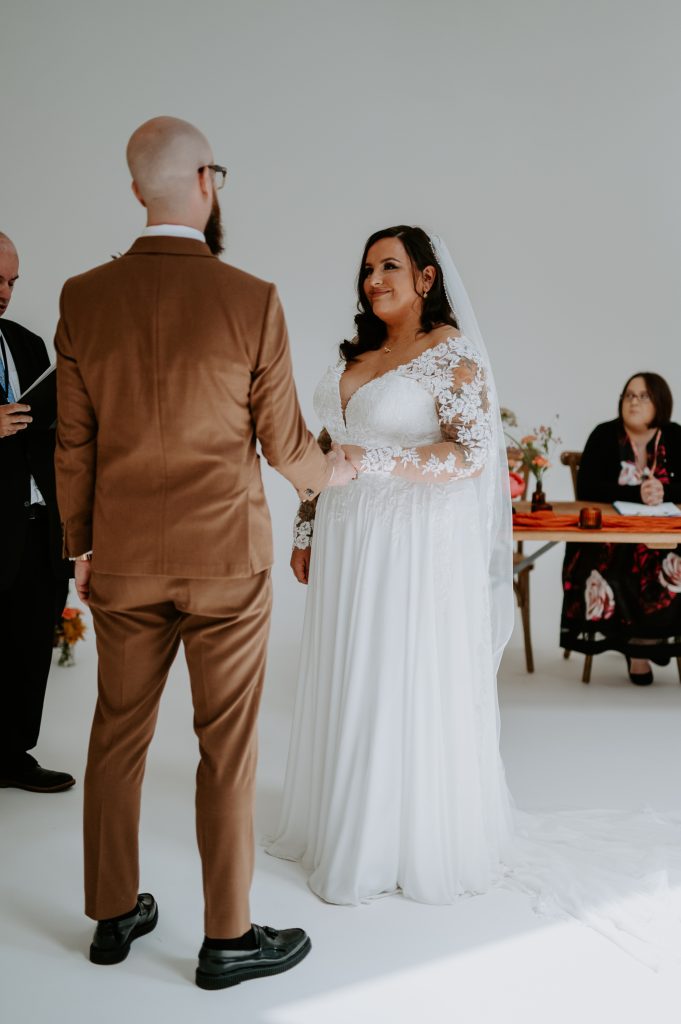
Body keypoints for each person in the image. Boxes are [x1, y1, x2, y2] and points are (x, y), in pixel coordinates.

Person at [54, 116, 354, 989]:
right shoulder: (251, 297)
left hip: (123, 560)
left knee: (115, 737)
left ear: (137, 190)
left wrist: (80, 545)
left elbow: (72, 445)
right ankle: (228, 939)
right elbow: (285, 443)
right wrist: (330, 475)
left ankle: (112, 916)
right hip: (226, 560)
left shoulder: (81, 296)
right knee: (227, 748)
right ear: (206, 182)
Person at [267, 225, 515, 904]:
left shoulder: (453, 357)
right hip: (347, 537)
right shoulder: (360, 353)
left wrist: (375, 463)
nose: (374, 279)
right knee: (350, 664)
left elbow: (470, 454)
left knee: (395, 668)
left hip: (409, 543)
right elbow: (327, 442)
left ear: (426, 279)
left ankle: (396, 838)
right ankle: (340, 816)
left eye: (390, 267)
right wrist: (306, 525)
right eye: (368, 268)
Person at [0, 232, 74, 794]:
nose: (5, 292)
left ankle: (11, 755)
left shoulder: (28, 343)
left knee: (27, 647)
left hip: (34, 524)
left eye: (12, 281)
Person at [560, 373, 681, 684]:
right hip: (611, 535)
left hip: (665, 534)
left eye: (643, 396)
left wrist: (664, 493)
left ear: (660, 402)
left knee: (669, 558)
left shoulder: (675, 436)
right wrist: (634, 493)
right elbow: (588, 487)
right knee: (629, 556)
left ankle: (658, 635)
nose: (634, 402)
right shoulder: (604, 435)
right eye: (629, 395)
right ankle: (639, 649)